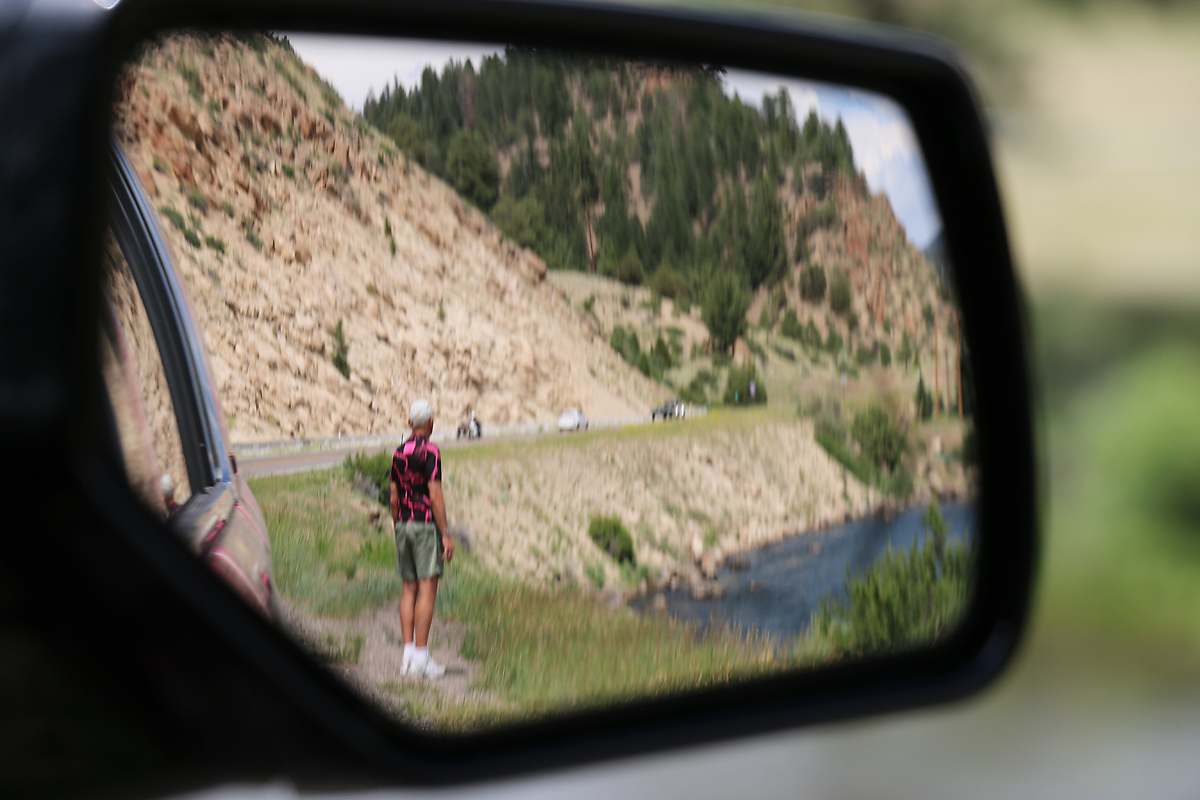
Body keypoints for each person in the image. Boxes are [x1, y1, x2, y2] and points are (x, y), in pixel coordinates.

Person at [390, 398, 455, 678]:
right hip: (426, 524)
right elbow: (436, 495)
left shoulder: (398, 453)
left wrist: (397, 524)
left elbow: (393, 497)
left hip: (403, 523)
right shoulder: (431, 452)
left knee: (408, 588)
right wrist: (445, 533)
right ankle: (421, 657)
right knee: (428, 589)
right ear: (431, 423)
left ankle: (406, 655)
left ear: (409, 424)